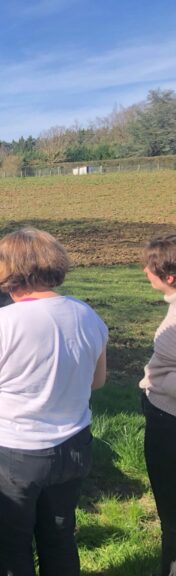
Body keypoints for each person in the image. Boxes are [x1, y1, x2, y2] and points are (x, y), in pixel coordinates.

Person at [0, 228, 108, 576]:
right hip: (72, 447)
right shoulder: (88, 315)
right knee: (60, 539)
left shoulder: (0, 323)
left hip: (13, 455)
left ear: (6, 272)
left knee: (12, 547)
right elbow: (97, 382)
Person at [139, 234, 176, 576]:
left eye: (149, 266)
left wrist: (154, 379)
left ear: (169, 276)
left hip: (170, 422)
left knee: (171, 511)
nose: (143, 272)